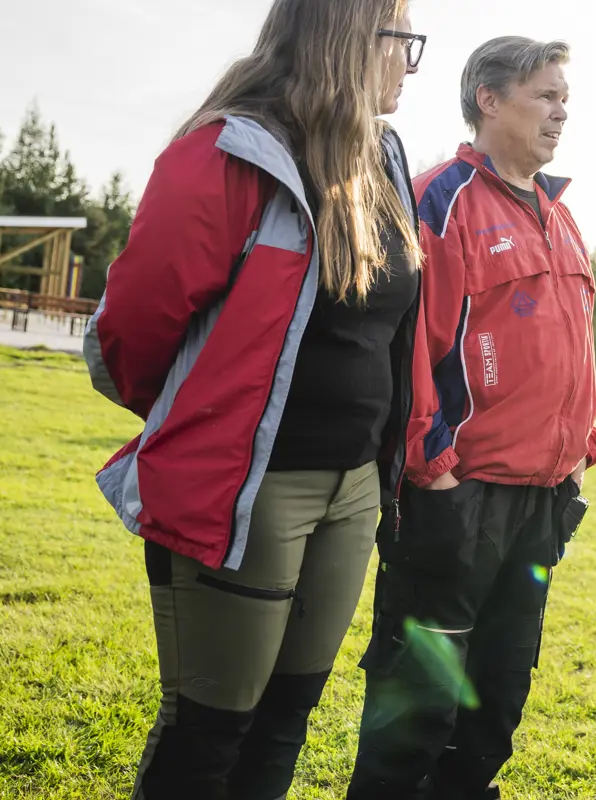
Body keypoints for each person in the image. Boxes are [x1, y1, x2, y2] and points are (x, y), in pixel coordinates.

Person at [82, 1, 427, 796]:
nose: (409, 62)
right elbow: (131, 331)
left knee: (284, 722)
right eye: (401, 40)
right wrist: (207, 420)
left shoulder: (385, 157)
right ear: (348, 40)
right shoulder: (229, 153)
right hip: (252, 492)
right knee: (209, 736)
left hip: (355, 489)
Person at [345, 35, 596, 800]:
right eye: (545, 94)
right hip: (459, 495)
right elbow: (409, 351)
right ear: (489, 99)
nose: (562, 111)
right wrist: (436, 474)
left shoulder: (561, 215)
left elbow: (571, 347)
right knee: (417, 707)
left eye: (565, 97)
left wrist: (582, 450)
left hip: (541, 502)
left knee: (496, 702)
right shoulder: (437, 200)